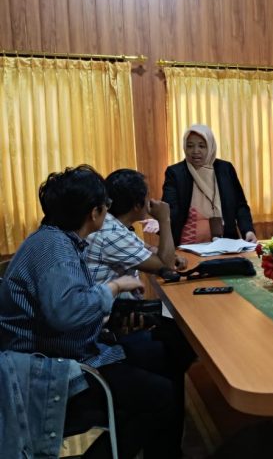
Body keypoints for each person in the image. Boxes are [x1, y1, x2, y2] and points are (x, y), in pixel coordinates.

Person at [0, 165, 180, 459]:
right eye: (104, 206)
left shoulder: (55, 239)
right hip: (55, 370)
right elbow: (65, 314)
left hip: (68, 350)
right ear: (94, 213)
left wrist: (108, 316)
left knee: (163, 355)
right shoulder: (56, 251)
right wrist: (114, 288)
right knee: (160, 395)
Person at [85, 168, 197, 454]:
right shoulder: (111, 233)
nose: (152, 201)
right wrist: (165, 220)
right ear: (138, 205)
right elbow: (166, 266)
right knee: (177, 344)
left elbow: (152, 255)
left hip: (109, 319)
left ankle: (165, 445)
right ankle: (165, 448)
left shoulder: (113, 226)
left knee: (174, 337)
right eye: (147, 197)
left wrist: (167, 256)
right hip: (102, 334)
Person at [162, 124, 257, 245]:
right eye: (190, 146)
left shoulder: (225, 169)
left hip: (226, 243)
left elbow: (240, 205)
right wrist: (161, 220)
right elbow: (170, 208)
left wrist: (248, 231)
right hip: (189, 245)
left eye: (202, 146)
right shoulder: (175, 173)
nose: (195, 151)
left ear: (211, 146)